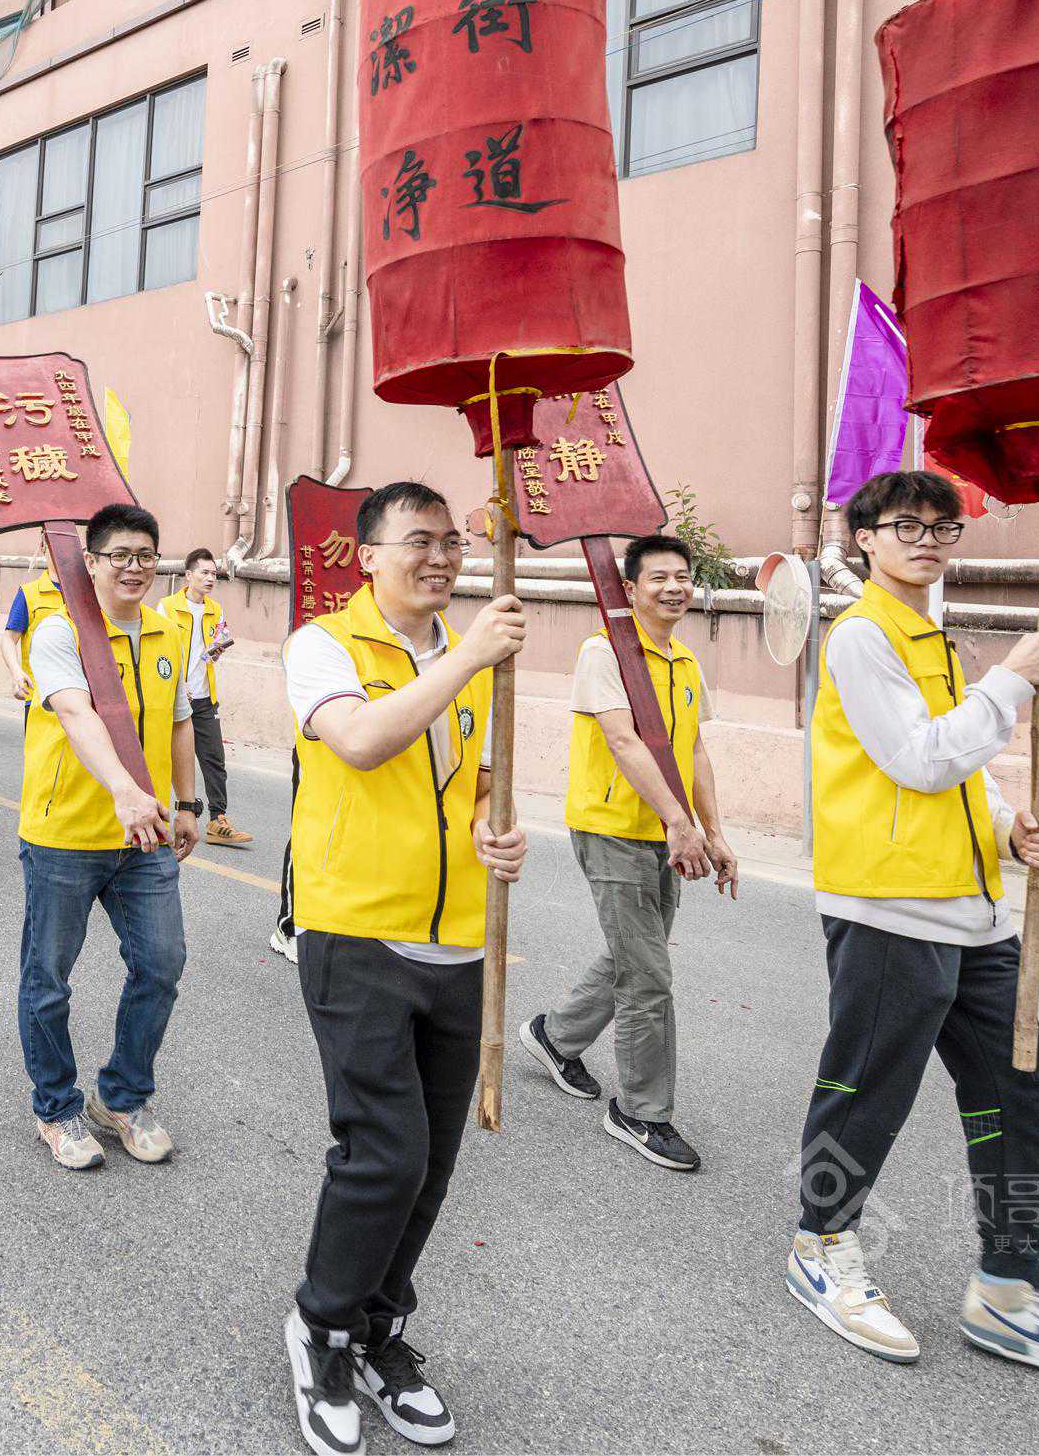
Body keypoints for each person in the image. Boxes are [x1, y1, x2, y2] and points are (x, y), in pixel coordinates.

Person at [784, 469, 1039, 1395]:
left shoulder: (932, 637)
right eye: (904, 523)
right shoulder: (862, 636)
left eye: (942, 524)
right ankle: (820, 1241)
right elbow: (914, 758)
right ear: (862, 538)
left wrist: (1007, 829)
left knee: (1020, 1093)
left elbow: (957, 770)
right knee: (866, 1092)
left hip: (974, 913)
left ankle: (1008, 1285)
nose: (927, 537)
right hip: (887, 911)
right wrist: (1012, 683)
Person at [278, 480, 527, 1456]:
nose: (440, 557)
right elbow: (364, 741)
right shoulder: (323, 647)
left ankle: (382, 1330)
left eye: (451, 542)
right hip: (358, 932)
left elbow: (472, 790)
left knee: (428, 1163)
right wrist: (469, 656)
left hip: (457, 939)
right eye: (417, 541)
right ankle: (322, 1327)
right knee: (382, 1152)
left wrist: (494, 835)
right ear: (366, 555)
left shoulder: (465, 660)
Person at [519, 534, 736, 1173]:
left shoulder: (685, 663)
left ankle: (554, 1037)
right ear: (632, 588)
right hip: (613, 828)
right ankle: (642, 1112)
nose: (674, 587)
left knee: (632, 954)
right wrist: (679, 823)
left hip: (671, 832)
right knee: (648, 975)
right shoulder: (604, 652)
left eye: (682, 577)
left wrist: (712, 830)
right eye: (659, 577)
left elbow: (692, 751)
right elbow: (622, 740)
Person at [16, 503, 198, 1171]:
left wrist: (189, 800)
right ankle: (55, 1107)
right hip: (64, 834)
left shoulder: (168, 632)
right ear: (88, 561)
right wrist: (124, 788)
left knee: (161, 962)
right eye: (119, 554)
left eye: (146, 555)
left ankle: (119, 1096)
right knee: (49, 978)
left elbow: (182, 718)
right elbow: (72, 711)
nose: (135, 567)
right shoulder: (57, 632)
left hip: (143, 838)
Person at [158, 548, 250, 848]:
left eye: (214, 573)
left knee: (214, 758)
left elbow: (215, 643)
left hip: (204, 697)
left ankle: (217, 819)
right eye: (205, 573)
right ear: (189, 576)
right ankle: (156, 811)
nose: (211, 578)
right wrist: (175, 683)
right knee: (163, 754)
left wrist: (217, 649)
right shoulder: (167, 608)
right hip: (173, 696)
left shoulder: (215, 610)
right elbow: (159, 651)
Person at [0, 556, 62, 707]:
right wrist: (16, 672)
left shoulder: (88, 593)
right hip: (39, 697)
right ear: (43, 548)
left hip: (81, 700)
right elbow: (8, 639)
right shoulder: (29, 592)